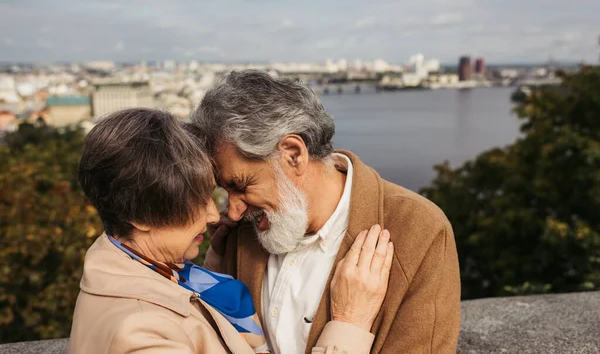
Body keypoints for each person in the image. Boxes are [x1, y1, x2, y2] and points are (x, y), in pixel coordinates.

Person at [68, 108, 394, 354]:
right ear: (140, 216)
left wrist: (215, 258)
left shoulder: (132, 268)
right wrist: (349, 324)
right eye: (195, 202)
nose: (214, 215)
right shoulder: (141, 336)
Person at [191, 70, 461, 354]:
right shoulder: (238, 233)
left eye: (241, 185)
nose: (232, 212)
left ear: (293, 154)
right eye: (225, 190)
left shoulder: (419, 231)